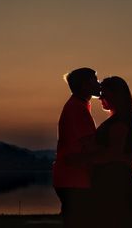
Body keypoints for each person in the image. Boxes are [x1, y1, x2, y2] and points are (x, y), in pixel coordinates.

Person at [89, 76, 132, 228]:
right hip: (116, 181)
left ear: (114, 95)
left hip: (116, 183)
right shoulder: (121, 120)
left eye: (103, 94)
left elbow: (113, 154)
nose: (100, 98)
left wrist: (84, 159)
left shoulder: (118, 123)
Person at [52, 67, 101, 228]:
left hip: (70, 178)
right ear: (84, 85)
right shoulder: (77, 108)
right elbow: (90, 145)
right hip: (74, 180)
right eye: (95, 79)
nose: (99, 84)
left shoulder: (79, 105)